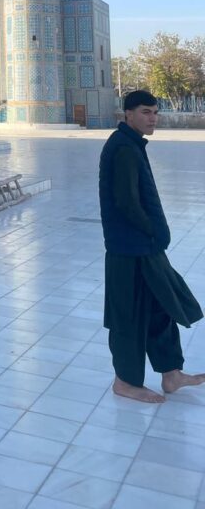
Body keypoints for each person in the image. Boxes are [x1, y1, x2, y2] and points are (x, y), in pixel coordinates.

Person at [99, 89, 205, 403]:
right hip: (128, 249)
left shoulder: (131, 145)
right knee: (128, 316)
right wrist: (156, 233)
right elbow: (127, 202)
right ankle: (125, 381)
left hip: (143, 247)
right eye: (146, 112)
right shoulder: (123, 149)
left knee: (161, 306)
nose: (152, 118)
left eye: (155, 112)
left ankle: (171, 374)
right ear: (127, 114)